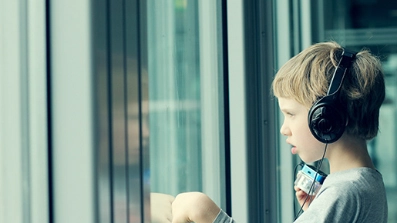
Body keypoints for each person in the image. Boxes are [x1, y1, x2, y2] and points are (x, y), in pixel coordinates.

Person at [169, 41, 389, 223]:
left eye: (291, 114)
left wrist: (207, 213)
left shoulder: (344, 192)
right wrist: (317, 210)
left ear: (326, 119)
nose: (284, 129)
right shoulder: (365, 183)